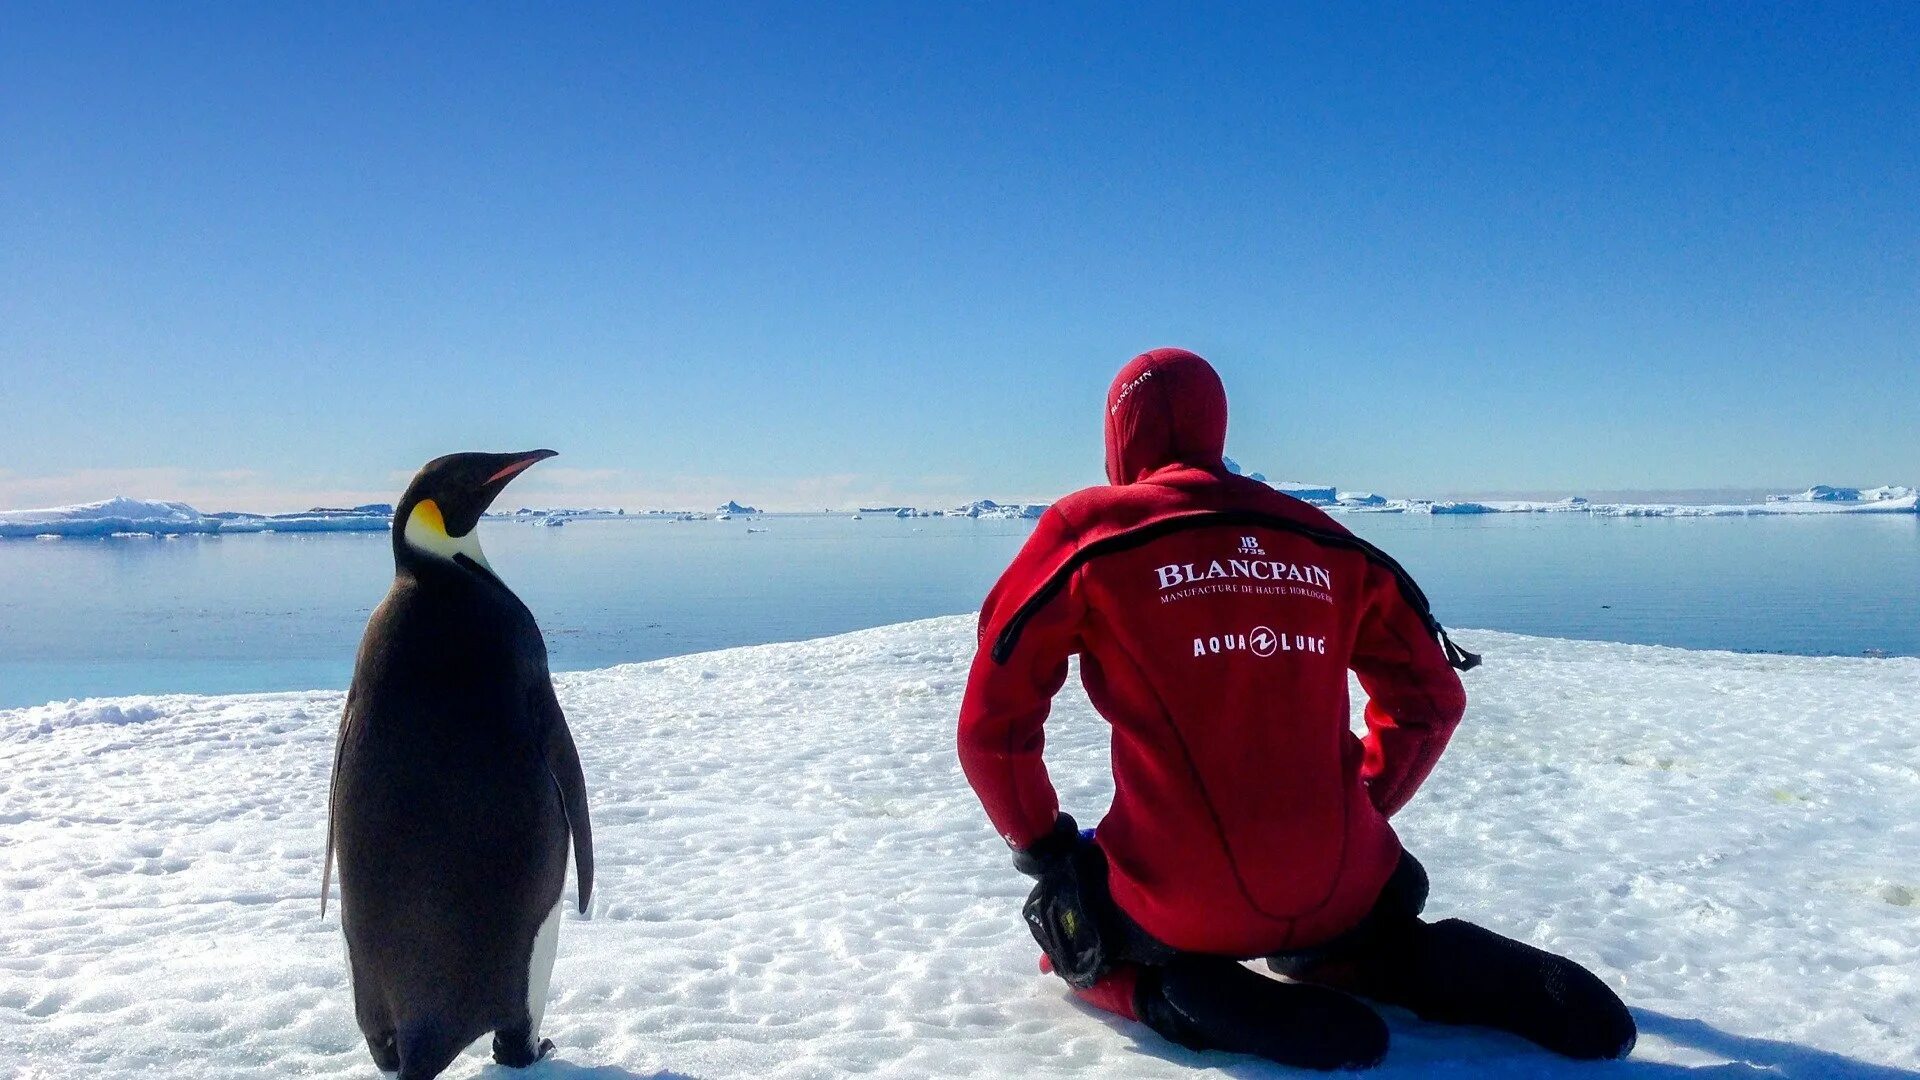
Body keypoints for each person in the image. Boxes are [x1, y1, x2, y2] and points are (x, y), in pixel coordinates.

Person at [956, 348, 1635, 1070]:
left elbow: (993, 730)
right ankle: (1398, 960)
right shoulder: (1323, 537)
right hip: (1340, 877)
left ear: (1119, 436)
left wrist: (1045, 848)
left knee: (1068, 932)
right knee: (1364, 915)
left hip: (1177, 896)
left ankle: (1167, 996)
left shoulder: (1089, 533)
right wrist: (1360, 805)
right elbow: (1431, 701)